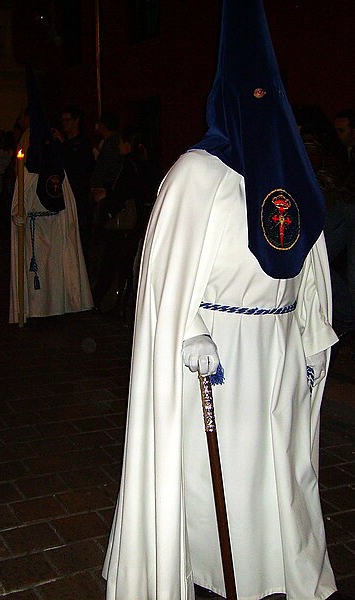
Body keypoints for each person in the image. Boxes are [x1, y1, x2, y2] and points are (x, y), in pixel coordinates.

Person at [103, 1, 339, 599]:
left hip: (282, 356)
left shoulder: (290, 175)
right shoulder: (196, 175)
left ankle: (280, 576)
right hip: (220, 367)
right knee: (223, 490)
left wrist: (313, 334)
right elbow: (166, 282)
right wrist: (188, 331)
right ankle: (208, 577)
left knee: (280, 476)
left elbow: (308, 262)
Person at [9, 67, 92, 322]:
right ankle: (33, 312)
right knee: (37, 274)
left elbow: (67, 205)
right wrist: (18, 217)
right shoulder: (28, 171)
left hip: (54, 229)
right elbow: (17, 202)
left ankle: (57, 309)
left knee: (54, 272)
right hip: (34, 229)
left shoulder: (58, 170)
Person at [91, 127, 153, 318]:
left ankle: (107, 303)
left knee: (114, 262)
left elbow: (125, 191)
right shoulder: (143, 162)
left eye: (120, 143)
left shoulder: (129, 163)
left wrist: (107, 198)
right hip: (137, 221)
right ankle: (121, 304)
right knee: (125, 263)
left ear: (127, 144)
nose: (118, 146)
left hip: (125, 222)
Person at [52, 106, 96, 266]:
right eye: (62, 120)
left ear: (76, 121)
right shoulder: (63, 144)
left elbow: (81, 167)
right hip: (63, 196)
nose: (64, 124)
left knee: (80, 234)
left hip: (79, 197)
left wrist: (64, 145)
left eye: (67, 120)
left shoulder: (83, 143)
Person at [324, 108, 355, 334]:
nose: (338, 134)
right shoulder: (339, 151)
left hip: (347, 209)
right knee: (319, 261)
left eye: (342, 130)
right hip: (342, 208)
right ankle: (347, 315)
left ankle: (348, 318)